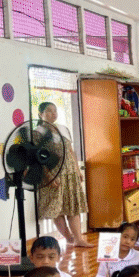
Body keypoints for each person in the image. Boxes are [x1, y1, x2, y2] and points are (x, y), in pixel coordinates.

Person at [35, 102, 92, 248]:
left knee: (73, 207)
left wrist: (77, 171)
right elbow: (38, 157)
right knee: (57, 209)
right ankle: (68, 238)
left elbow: (71, 151)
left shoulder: (63, 128)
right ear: (40, 114)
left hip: (70, 173)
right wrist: (48, 176)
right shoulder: (38, 132)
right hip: (54, 175)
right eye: (49, 111)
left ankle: (78, 239)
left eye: (55, 111)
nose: (53, 113)